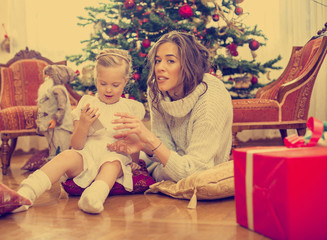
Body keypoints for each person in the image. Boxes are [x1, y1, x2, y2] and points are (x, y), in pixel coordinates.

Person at [15, 48, 145, 214]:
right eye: (103, 84)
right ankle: (26, 193)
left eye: (115, 85)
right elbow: (76, 145)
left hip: (114, 157)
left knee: (113, 164)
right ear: (96, 79)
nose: (108, 90)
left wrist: (132, 159)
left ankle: (93, 197)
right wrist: (83, 124)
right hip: (87, 155)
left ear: (125, 82)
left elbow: (133, 146)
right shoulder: (87, 102)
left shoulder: (131, 108)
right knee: (66, 156)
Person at [108, 31, 233, 182]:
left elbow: (194, 172)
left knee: (153, 168)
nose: (160, 67)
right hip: (176, 164)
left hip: (202, 170)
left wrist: (150, 140)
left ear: (189, 65)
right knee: (117, 158)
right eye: (158, 60)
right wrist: (144, 144)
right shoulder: (157, 89)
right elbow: (164, 147)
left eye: (170, 61)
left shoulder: (211, 99)